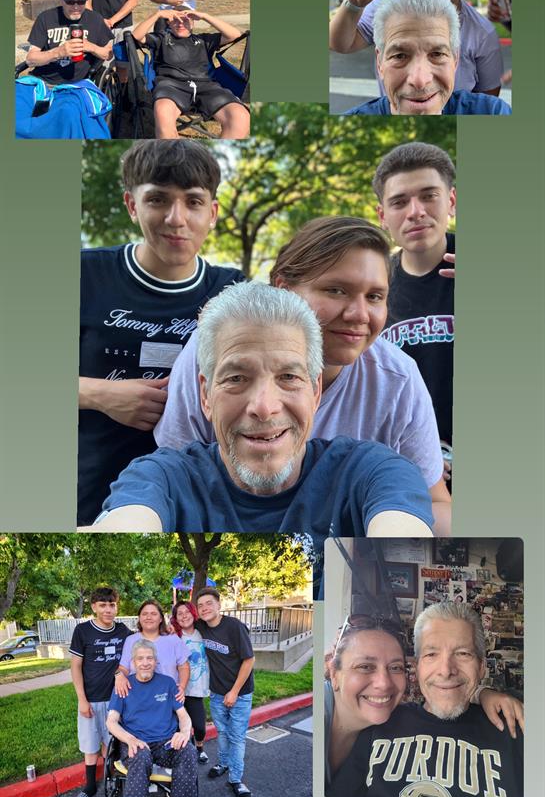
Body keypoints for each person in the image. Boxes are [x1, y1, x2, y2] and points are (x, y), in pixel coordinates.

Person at [88, 282, 434, 598]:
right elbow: (128, 520)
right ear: (205, 395)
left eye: (288, 377)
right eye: (237, 377)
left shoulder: (374, 472)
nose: (264, 408)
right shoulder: (161, 478)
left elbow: (402, 540)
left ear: (315, 392)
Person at [155, 216, 451, 532]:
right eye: (336, 290)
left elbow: (433, 502)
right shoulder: (219, 347)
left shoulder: (398, 378)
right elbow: (175, 484)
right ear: (284, 289)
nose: (359, 315)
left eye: (374, 296)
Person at [77, 139, 245, 525]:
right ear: (132, 205)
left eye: (193, 201)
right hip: (85, 497)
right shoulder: (84, 274)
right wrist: (100, 394)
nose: (176, 218)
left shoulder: (232, 290)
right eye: (158, 200)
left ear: (213, 212)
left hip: (189, 504)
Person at [328, 602, 524, 797]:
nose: (446, 670)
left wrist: (483, 692)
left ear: (482, 667)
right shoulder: (378, 724)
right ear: (417, 666)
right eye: (431, 654)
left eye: (463, 653)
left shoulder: (515, 728)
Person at [330, 0, 503, 98]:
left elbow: (488, 99)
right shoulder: (387, 5)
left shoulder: (483, 33)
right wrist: (354, 3)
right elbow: (340, 44)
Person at [373, 143, 455, 476]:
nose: (415, 212)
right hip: (418, 468)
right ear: (383, 216)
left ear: (451, 201)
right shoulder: (373, 289)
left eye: (429, 196)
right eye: (399, 202)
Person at [340, 0, 511, 115]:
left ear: (455, 60)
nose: (420, 81)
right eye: (400, 56)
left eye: (437, 54)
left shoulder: (492, 111)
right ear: (379, 63)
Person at [106, 639, 198, 797]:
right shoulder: (123, 685)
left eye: (149, 658)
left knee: (189, 751)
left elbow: (183, 716)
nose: (145, 663)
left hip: (165, 744)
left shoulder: (168, 683)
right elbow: (111, 722)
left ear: (156, 662)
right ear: (133, 662)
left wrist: (184, 733)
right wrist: (130, 739)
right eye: (140, 659)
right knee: (140, 754)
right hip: (135, 743)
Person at [131, 7, 250, 139]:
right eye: (175, 20)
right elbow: (136, 36)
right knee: (162, 111)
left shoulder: (204, 40)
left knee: (240, 116)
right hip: (171, 86)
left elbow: (234, 34)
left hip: (207, 87)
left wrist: (205, 15)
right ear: (168, 23)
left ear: (193, 22)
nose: (181, 23)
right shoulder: (161, 39)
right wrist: (158, 14)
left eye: (186, 20)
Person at [69, 586, 133, 797]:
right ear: (94, 607)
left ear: (117, 606)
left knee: (111, 742)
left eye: (112, 605)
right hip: (91, 698)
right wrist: (81, 699)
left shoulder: (123, 631)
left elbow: (133, 657)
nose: (108, 609)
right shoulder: (83, 631)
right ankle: (89, 786)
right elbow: (76, 666)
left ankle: (110, 780)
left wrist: (118, 673)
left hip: (117, 699)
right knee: (90, 743)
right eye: (103, 605)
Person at [195, 588, 254, 797]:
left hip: (239, 693)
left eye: (209, 603)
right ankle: (223, 762)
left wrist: (234, 692)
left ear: (219, 604)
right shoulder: (201, 626)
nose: (204, 608)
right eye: (200, 606)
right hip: (217, 692)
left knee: (236, 737)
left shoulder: (235, 627)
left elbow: (249, 660)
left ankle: (236, 779)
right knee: (221, 732)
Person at [24, 0, 113, 84]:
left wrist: (91, 47)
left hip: (75, 86)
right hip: (43, 81)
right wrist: (57, 52)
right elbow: (30, 59)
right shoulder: (46, 18)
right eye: (70, 1)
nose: (76, 7)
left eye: (81, 1)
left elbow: (108, 54)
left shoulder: (95, 19)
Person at [114, 600, 190, 700]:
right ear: (139, 618)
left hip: (168, 698)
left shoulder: (173, 639)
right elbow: (124, 668)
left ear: (161, 619)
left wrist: (182, 687)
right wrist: (118, 675)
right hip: (138, 698)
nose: (149, 617)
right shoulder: (130, 640)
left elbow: (184, 667)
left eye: (154, 614)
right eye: (144, 614)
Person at [170, 600, 210, 762]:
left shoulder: (204, 633)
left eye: (187, 612)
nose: (184, 616)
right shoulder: (173, 636)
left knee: (199, 726)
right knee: (179, 725)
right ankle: (186, 749)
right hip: (178, 689)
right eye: (179, 613)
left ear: (193, 613)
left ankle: (200, 746)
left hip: (196, 688)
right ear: (175, 618)